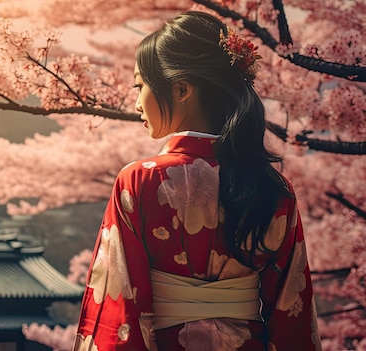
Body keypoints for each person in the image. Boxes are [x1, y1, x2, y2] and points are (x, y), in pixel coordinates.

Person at [73, 11, 322, 351]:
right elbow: (293, 311)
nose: (135, 102)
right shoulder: (274, 188)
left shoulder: (141, 179)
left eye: (140, 85)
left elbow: (118, 301)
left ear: (181, 89)